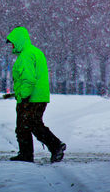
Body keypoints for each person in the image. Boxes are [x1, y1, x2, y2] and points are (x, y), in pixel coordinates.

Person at [4, 26, 66, 163]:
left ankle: (48, 148)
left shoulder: (25, 55)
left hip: (31, 98)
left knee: (24, 126)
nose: (12, 46)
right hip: (40, 96)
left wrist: (23, 96)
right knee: (33, 124)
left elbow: (28, 79)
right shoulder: (36, 52)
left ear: (19, 41)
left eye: (13, 42)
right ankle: (50, 147)